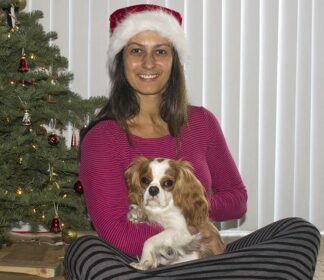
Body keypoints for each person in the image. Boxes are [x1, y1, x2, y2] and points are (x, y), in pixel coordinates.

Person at [64, 4, 320, 280]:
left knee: (299, 230)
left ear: (174, 60)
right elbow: (117, 233)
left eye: (160, 51)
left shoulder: (201, 122)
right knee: (84, 250)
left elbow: (236, 199)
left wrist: (192, 208)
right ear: (121, 60)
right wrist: (191, 233)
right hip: (141, 258)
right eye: (136, 50)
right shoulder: (103, 137)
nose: (149, 63)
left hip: (202, 257)